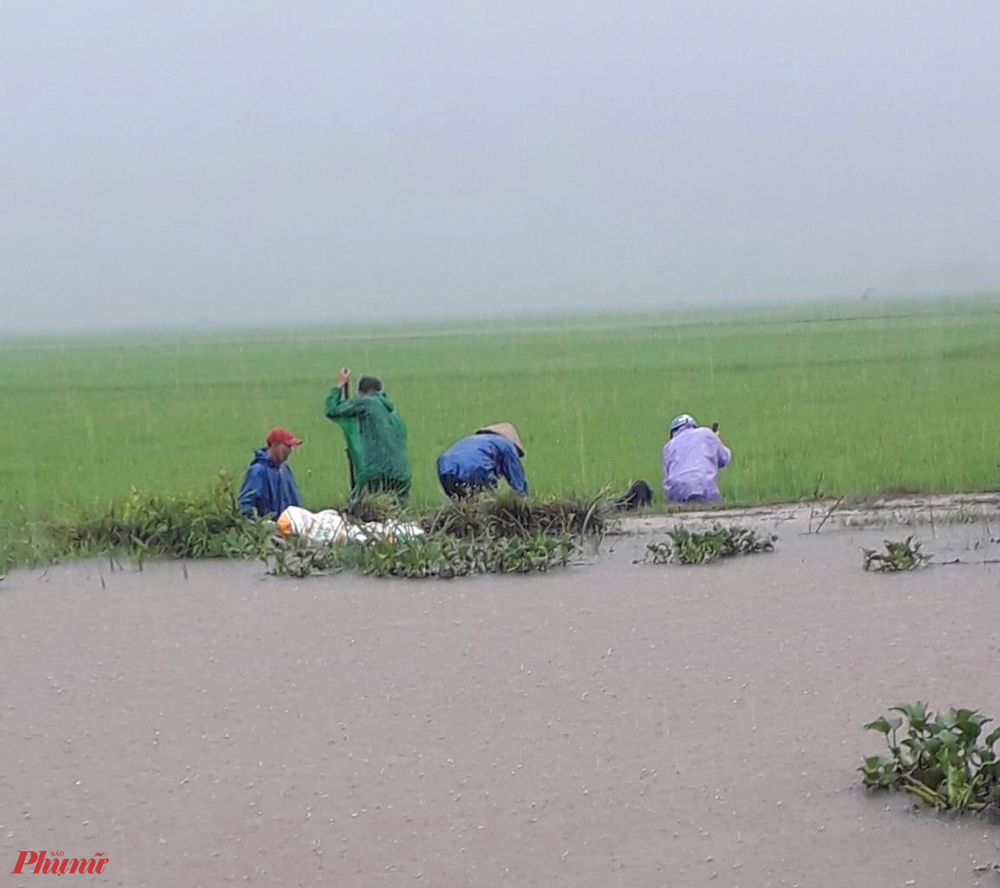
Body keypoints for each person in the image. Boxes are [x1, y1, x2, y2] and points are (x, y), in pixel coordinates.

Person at [324, 368, 412, 502]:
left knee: (363, 509)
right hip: (402, 473)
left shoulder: (367, 403)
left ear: (361, 393)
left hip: (377, 472)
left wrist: (339, 386)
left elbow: (332, 410)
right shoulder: (392, 412)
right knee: (398, 516)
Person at [436, 423, 528, 498]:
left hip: (445, 466)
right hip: (476, 466)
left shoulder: (476, 440)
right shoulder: (507, 445)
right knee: (488, 503)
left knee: (463, 502)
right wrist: (525, 501)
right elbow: (518, 482)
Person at [662, 414, 731, 503]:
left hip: (677, 492)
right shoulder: (707, 433)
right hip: (705, 488)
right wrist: (715, 440)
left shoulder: (668, 446)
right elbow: (725, 458)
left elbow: (668, 475)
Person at [238, 427, 303, 518]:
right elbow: (245, 504)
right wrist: (260, 525)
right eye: (287, 446)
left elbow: (295, 503)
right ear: (275, 446)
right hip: (265, 530)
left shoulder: (285, 470)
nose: (289, 451)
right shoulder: (258, 471)